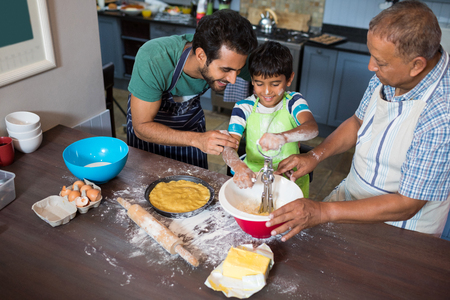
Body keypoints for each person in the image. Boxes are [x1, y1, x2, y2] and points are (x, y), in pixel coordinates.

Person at [268, 0, 450, 241]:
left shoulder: (441, 116)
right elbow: (357, 122)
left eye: (380, 62)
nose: (370, 66)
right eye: (372, 56)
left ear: (416, 65)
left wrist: (322, 211)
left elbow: (408, 203)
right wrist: (315, 155)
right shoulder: (389, 73)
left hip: (401, 231)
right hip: (351, 199)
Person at [126, 10, 258, 169]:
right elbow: (141, 127)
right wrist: (197, 140)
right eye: (226, 70)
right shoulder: (155, 58)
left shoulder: (233, 57)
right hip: (149, 139)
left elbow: (273, 84)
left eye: (238, 70)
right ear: (201, 55)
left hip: (191, 129)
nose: (233, 79)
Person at [222, 41, 318, 197]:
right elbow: (228, 148)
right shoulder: (243, 108)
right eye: (259, 84)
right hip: (253, 181)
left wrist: (283, 137)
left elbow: (312, 128)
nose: (267, 91)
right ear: (252, 81)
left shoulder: (293, 102)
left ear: (289, 79)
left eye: (275, 84)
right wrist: (238, 166)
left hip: (289, 182)